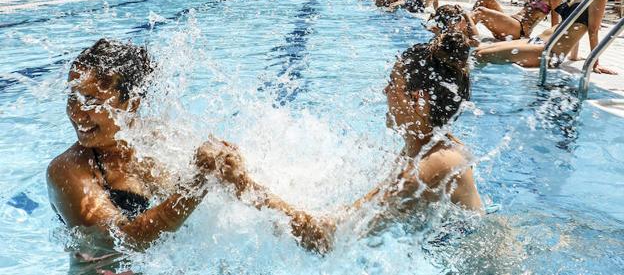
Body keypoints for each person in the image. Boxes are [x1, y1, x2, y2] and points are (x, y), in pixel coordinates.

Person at [46, 39, 333, 271]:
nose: (76, 112)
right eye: (72, 97)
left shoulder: (154, 141)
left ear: (132, 102)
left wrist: (230, 170)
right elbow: (123, 240)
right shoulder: (69, 170)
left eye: (91, 101)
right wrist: (197, 184)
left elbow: (213, 184)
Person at [350, 31, 483, 221]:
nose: (385, 91)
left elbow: (330, 237)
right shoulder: (431, 146)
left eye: (392, 83)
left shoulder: (436, 164)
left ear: (420, 101)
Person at [475, 0, 617, 74]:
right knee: (478, 51)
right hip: (538, 41)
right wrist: (574, 56)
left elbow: (593, 31)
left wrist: (594, 63)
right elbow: (571, 24)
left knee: (482, 56)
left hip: (549, 52)